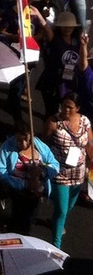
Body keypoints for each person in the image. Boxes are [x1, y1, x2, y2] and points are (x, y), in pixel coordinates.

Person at [48, 95, 93, 248]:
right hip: (60, 171)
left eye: (70, 107)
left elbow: (89, 144)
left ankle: (58, 223)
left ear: (77, 109)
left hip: (78, 172)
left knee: (69, 206)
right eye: (64, 105)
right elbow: (44, 142)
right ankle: (56, 245)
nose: (66, 110)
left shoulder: (85, 121)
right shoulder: (54, 122)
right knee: (61, 209)